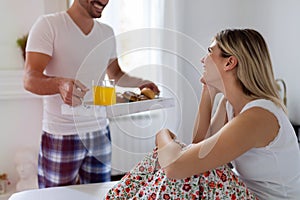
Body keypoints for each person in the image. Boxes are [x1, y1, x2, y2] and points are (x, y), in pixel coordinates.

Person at [105, 29, 300, 199]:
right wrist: (208, 93)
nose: (203, 59)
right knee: (185, 161)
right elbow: (200, 145)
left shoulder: (257, 116)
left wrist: (162, 135)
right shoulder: (230, 104)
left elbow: (178, 167)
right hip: (246, 194)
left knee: (179, 165)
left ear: (229, 62)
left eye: (209, 52)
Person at [23, 0, 159, 188]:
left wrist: (140, 83)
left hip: (99, 133)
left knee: (97, 194)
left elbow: (116, 75)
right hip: (62, 134)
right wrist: (59, 83)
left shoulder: (106, 33)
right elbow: (30, 79)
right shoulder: (49, 25)